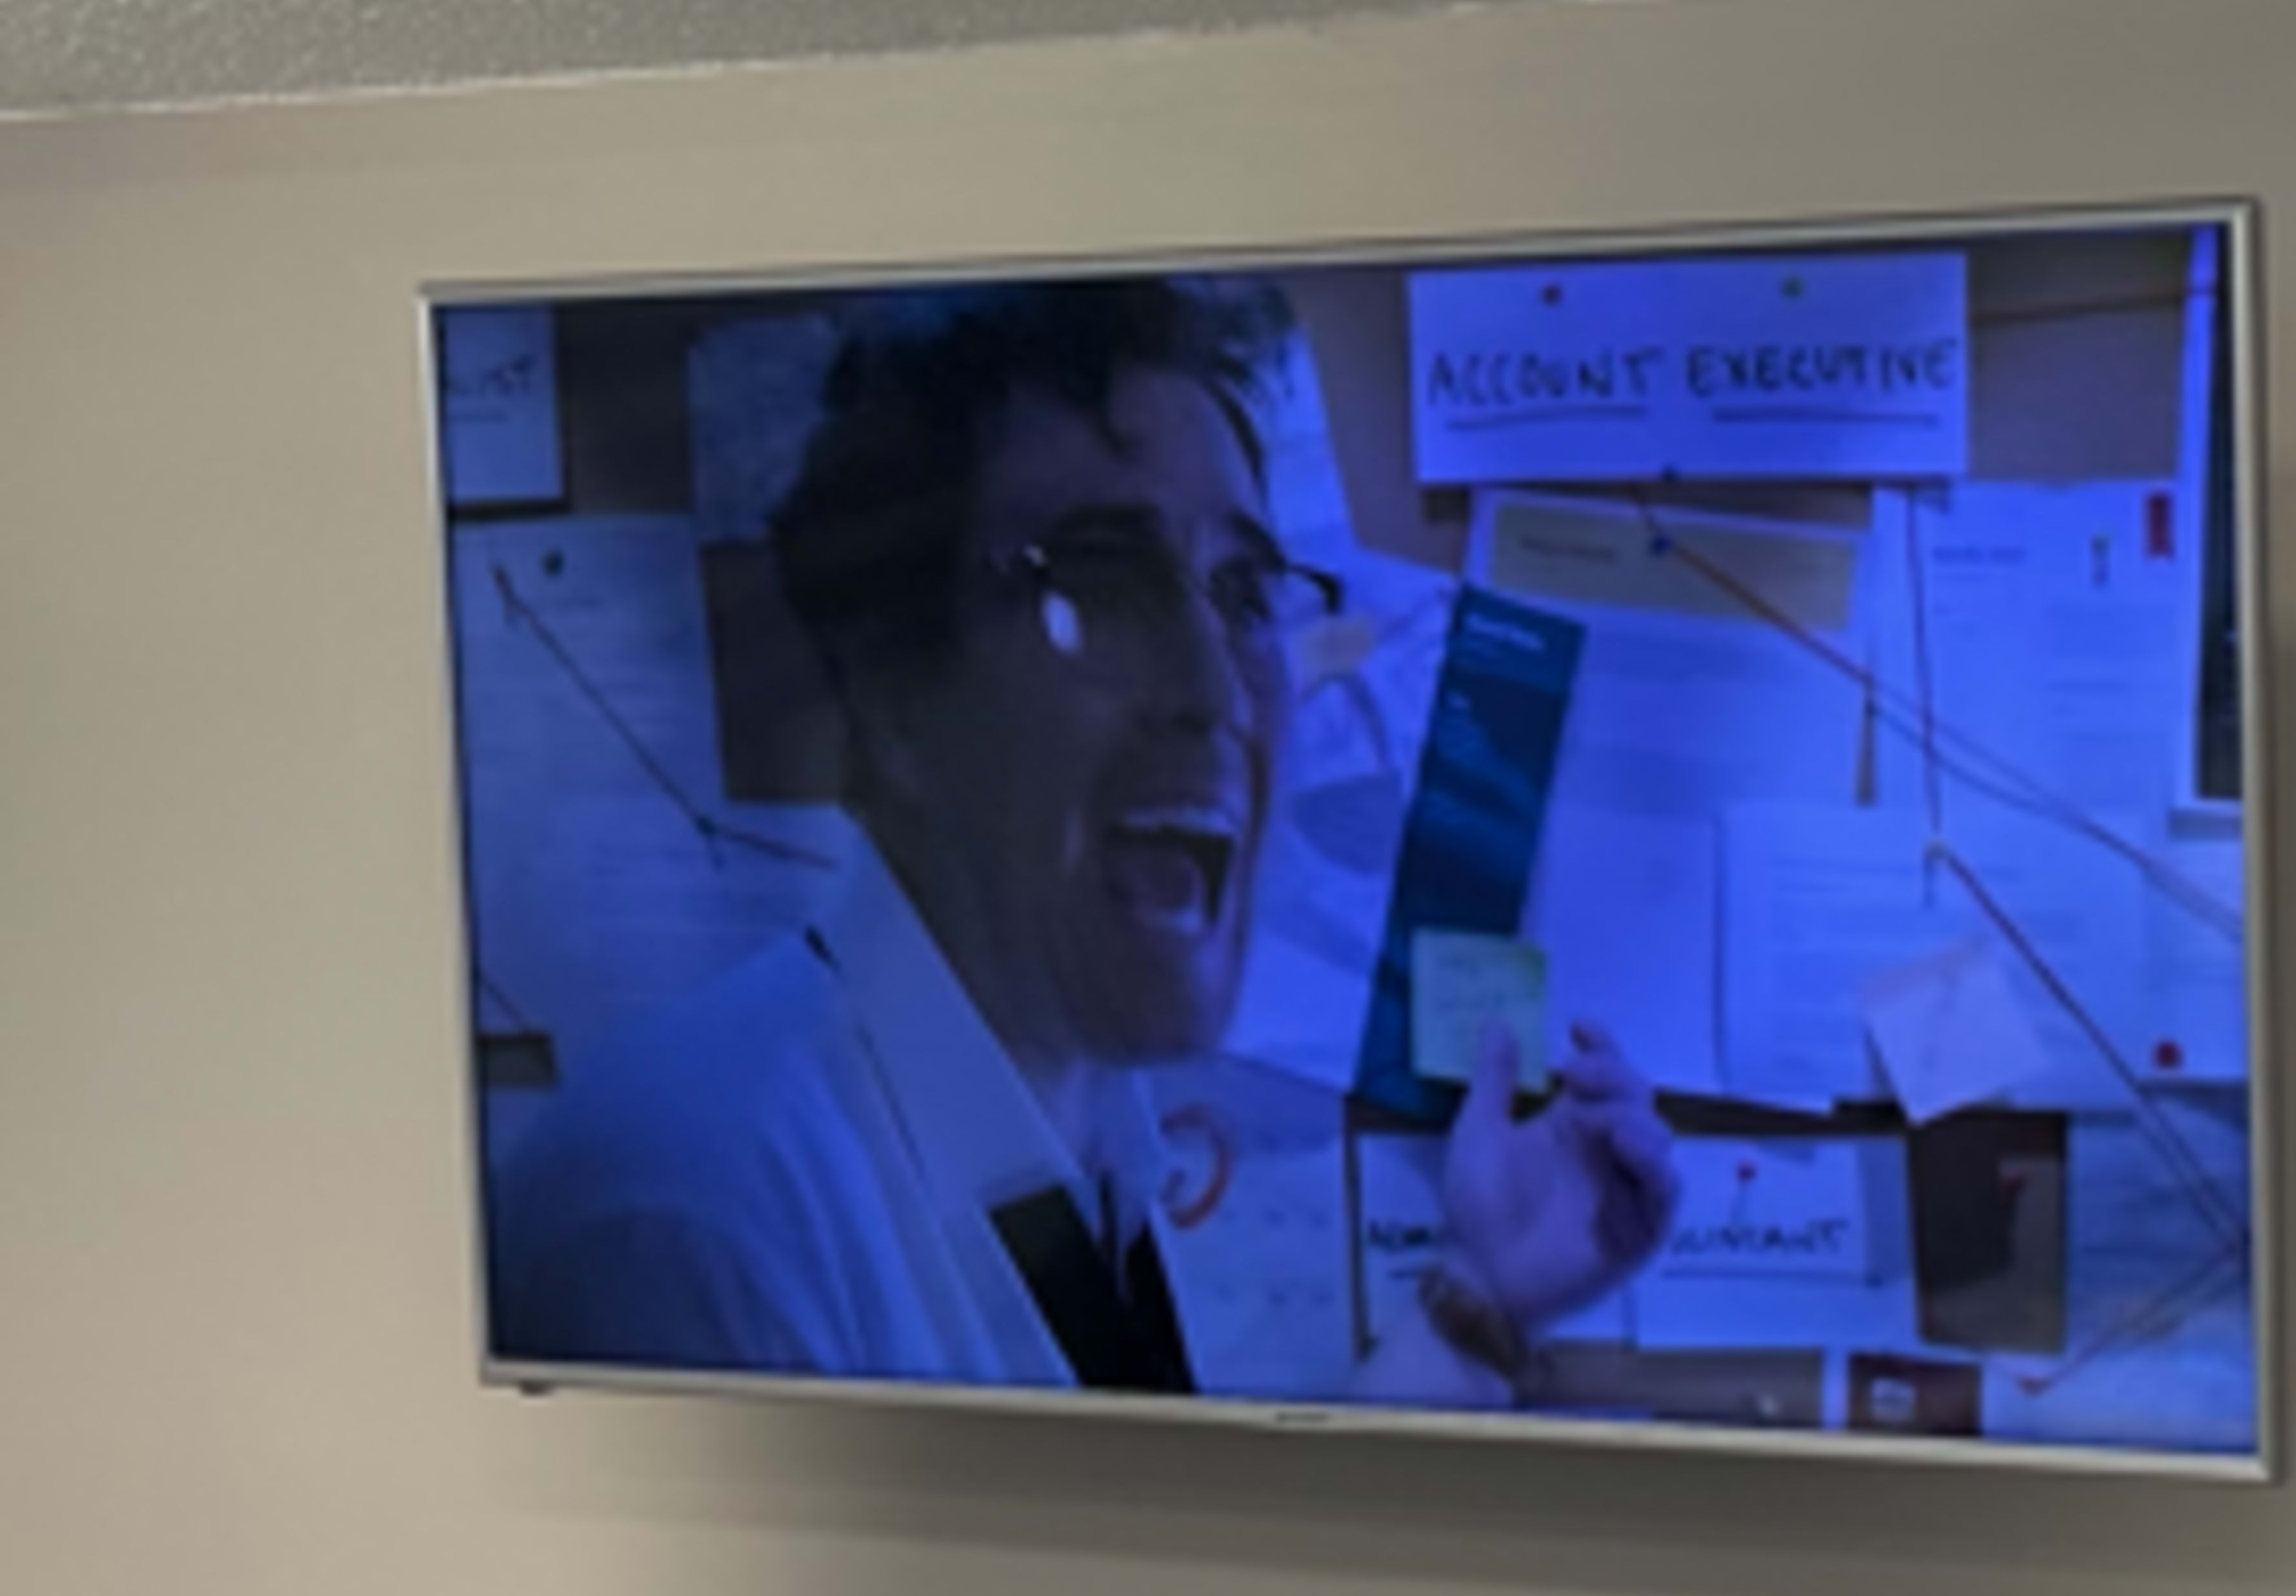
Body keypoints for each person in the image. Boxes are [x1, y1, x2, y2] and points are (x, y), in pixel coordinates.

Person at [488, 273, 1675, 1402]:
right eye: (1103, 589)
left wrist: (1490, 1298)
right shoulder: (689, 1218)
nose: (1214, 690)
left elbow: (1145, 1595)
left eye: (1248, 594)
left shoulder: (1082, 1125)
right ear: (900, 695)